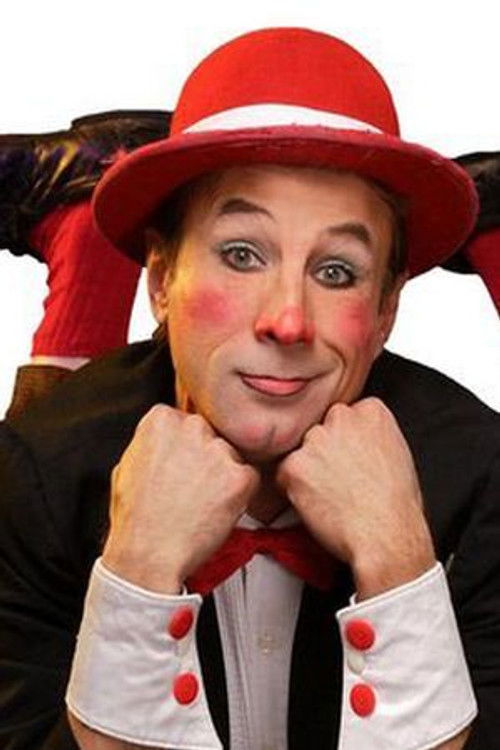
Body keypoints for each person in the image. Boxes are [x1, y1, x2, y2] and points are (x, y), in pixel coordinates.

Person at [0, 26, 499, 750]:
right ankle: (82, 239)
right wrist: (138, 574)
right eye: (241, 254)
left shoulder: (482, 476)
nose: (287, 320)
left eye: (337, 271)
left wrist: (399, 567)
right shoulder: (32, 474)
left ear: (386, 311)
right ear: (161, 279)